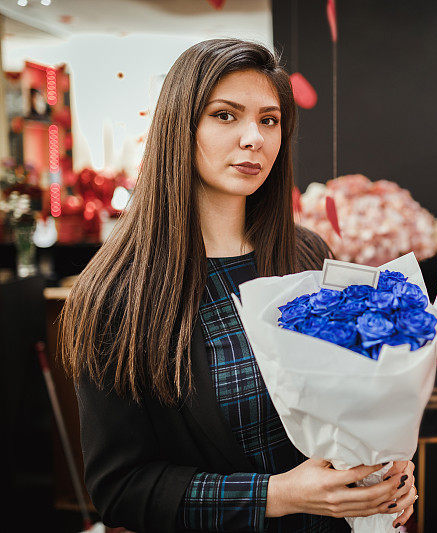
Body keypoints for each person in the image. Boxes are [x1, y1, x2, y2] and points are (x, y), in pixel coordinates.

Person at [59, 38, 416, 533]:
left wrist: (383, 465)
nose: (255, 138)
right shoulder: (121, 294)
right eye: (226, 115)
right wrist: (279, 495)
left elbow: (349, 403)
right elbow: (122, 487)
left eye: (269, 120)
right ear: (180, 128)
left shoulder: (308, 254)